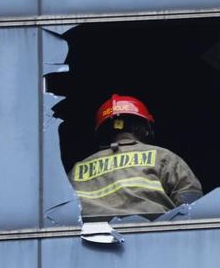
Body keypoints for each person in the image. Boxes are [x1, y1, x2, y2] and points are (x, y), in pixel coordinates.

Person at [69, 94, 203, 221]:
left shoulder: (78, 169)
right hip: (156, 237)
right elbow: (192, 204)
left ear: (103, 132)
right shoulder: (163, 157)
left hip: (91, 242)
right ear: (145, 129)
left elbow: (59, 211)